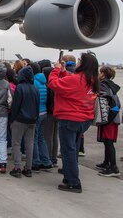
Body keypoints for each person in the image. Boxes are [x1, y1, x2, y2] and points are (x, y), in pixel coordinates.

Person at [48, 52, 99, 193]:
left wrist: (56, 69)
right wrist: (64, 72)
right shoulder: (92, 80)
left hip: (70, 118)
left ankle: (73, 182)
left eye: (79, 60)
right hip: (84, 119)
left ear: (84, 64)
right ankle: (70, 176)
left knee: (67, 151)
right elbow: (71, 84)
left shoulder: (77, 79)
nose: (77, 62)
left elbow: (53, 84)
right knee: (73, 149)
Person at [9, 66, 39, 178]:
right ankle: (28, 168)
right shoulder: (35, 88)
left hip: (20, 119)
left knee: (16, 143)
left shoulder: (20, 87)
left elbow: (16, 105)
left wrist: (12, 119)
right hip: (32, 120)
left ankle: (17, 167)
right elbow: (37, 105)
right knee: (29, 144)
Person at [96, 66, 121, 177]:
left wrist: (107, 118)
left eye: (100, 72)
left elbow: (108, 101)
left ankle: (114, 168)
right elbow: (117, 104)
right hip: (113, 117)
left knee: (108, 142)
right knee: (107, 141)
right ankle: (107, 163)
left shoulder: (103, 85)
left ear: (103, 74)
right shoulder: (111, 85)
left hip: (109, 118)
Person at [30, 62, 53, 171]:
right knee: (41, 138)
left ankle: (36, 161)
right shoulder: (43, 81)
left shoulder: (34, 82)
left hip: (36, 112)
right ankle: (46, 160)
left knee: (33, 138)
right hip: (43, 112)